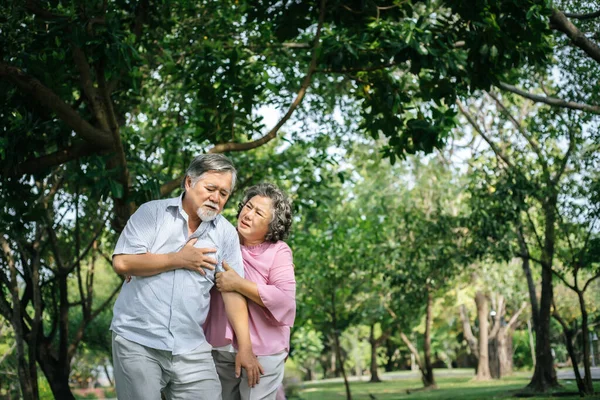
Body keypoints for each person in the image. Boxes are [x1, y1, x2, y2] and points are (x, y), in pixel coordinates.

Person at [110, 154, 262, 400]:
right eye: (210, 188)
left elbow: (231, 290)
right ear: (189, 183)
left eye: (224, 194)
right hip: (137, 340)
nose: (216, 198)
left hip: (191, 348)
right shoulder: (152, 213)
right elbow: (123, 262)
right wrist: (178, 259)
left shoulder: (225, 233)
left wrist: (245, 347)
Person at [204, 183, 296, 400]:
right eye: (248, 206)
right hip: (220, 347)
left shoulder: (278, 251)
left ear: (272, 225)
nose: (248, 214)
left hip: (263, 351)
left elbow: (285, 301)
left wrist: (238, 284)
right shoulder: (222, 238)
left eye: (258, 212)